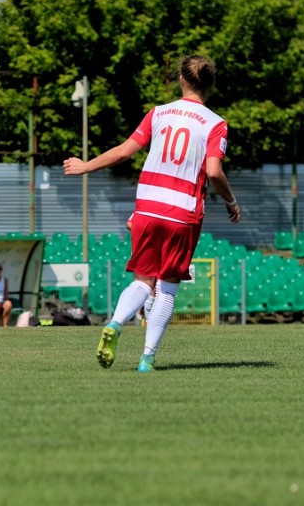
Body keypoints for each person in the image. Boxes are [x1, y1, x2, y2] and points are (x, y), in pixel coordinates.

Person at [64, 54, 241, 372]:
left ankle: (116, 323)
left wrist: (85, 166)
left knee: (143, 280)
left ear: (181, 80)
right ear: (210, 84)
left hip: (146, 208)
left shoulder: (158, 114)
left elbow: (123, 152)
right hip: (182, 212)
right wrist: (230, 201)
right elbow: (214, 172)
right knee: (168, 287)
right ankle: (147, 358)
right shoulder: (215, 124)